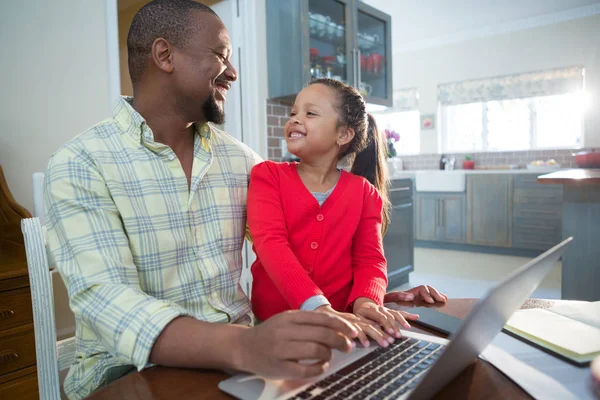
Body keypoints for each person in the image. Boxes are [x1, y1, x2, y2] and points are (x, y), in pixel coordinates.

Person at [44, 2, 444, 399]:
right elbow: (108, 301)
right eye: (221, 56)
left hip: (243, 363)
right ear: (165, 55)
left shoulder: (240, 161)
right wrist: (243, 346)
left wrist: (369, 299)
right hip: (132, 375)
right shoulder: (80, 164)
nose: (233, 73)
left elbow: (296, 247)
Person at [248, 79, 447, 348]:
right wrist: (318, 308)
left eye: (310, 113)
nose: (295, 119)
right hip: (275, 324)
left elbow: (370, 260)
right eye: (293, 113)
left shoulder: (364, 193)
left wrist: (367, 300)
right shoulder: (268, 175)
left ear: (343, 135)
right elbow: (271, 244)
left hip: (344, 325)